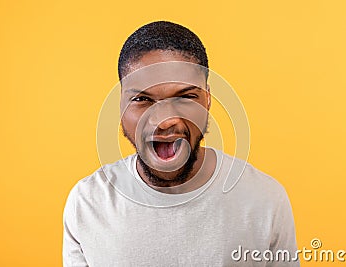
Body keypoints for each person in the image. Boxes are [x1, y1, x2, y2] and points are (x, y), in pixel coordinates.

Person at [63, 21, 299, 266]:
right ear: (121, 104)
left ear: (207, 100)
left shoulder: (265, 199)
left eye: (186, 97)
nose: (164, 122)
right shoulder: (87, 203)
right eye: (142, 99)